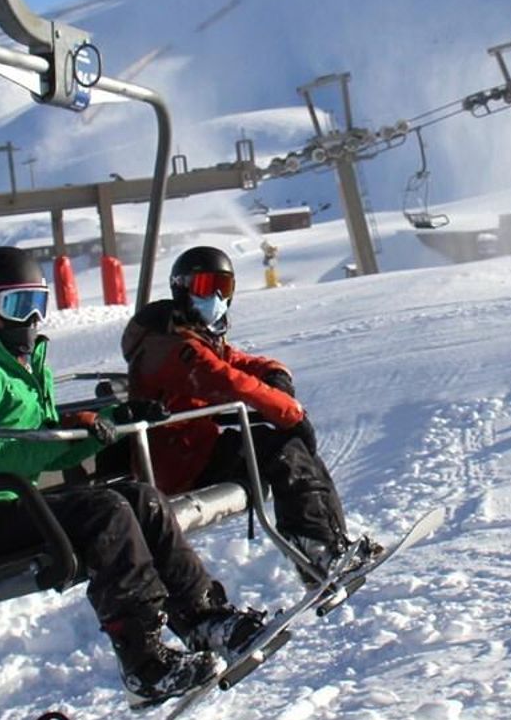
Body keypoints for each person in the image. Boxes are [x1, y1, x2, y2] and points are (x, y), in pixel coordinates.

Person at [0, 246, 263, 706]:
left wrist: (108, 424)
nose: (32, 319)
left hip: (16, 502)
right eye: (20, 305)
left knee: (142, 499)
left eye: (38, 303)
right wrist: (52, 439)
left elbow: (46, 444)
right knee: (107, 511)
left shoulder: (17, 361)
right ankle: (144, 663)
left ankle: (203, 618)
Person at [119, 245, 373, 586]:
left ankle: (330, 545)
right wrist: (290, 413)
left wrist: (274, 372)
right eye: (206, 287)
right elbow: (224, 380)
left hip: (197, 449)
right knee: (281, 448)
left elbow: (237, 362)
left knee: (291, 448)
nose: (216, 298)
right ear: (182, 288)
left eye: (224, 288)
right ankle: (316, 550)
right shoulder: (169, 346)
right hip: (178, 464)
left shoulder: (192, 332)